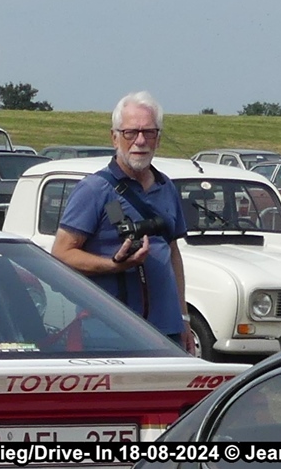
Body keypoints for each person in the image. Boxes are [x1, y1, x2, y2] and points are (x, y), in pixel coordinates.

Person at [51, 91, 194, 354]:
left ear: (158, 138)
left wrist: (183, 317)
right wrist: (113, 265)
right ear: (114, 137)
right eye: (131, 132)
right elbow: (61, 253)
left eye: (148, 132)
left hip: (167, 332)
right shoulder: (94, 190)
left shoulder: (166, 187)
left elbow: (172, 252)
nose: (140, 141)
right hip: (108, 333)